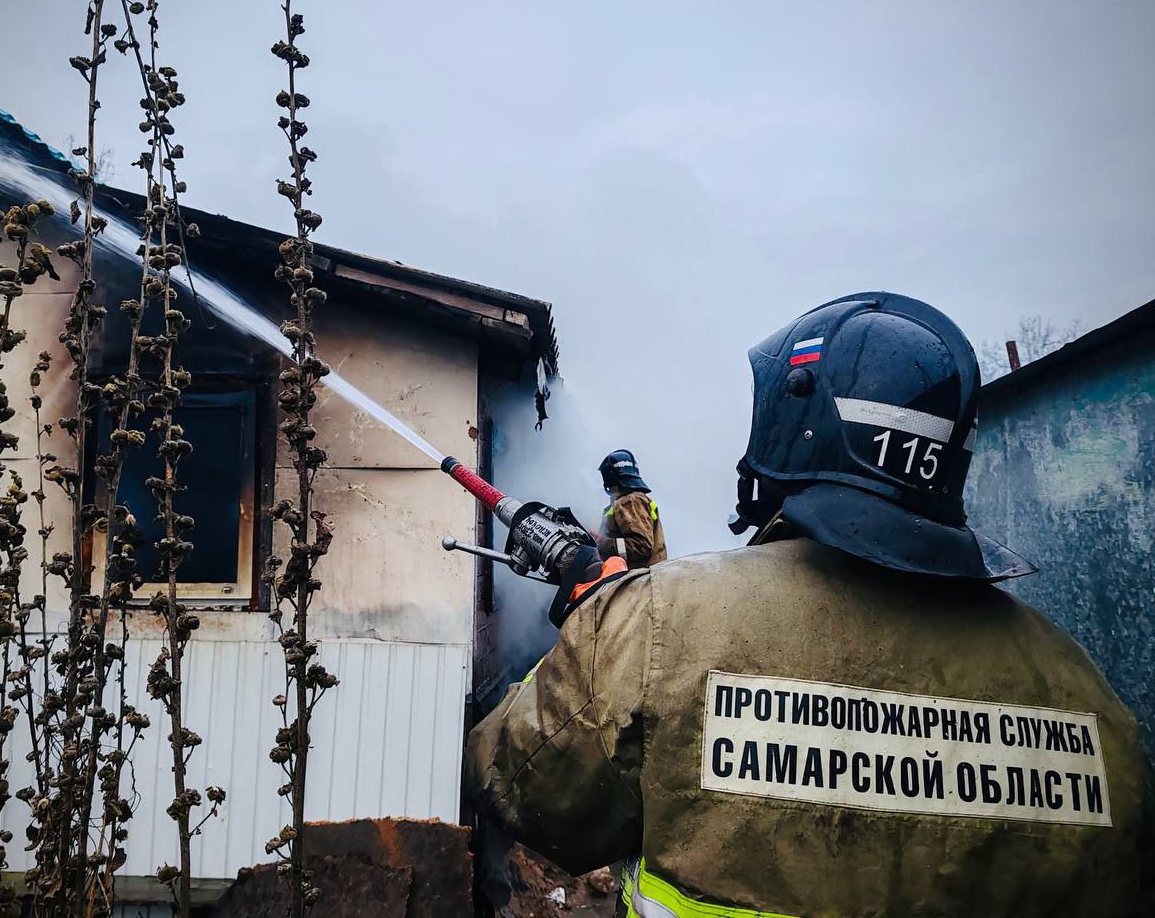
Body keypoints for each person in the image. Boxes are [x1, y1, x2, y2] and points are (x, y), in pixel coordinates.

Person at [466, 292, 1154, 917]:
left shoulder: (658, 625)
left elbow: (519, 784)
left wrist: (598, 620)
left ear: (796, 428)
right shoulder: (1091, 696)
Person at [596, 449, 667, 569]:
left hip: (637, 580)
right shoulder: (632, 500)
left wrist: (602, 544)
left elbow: (642, 546)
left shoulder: (629, 501)